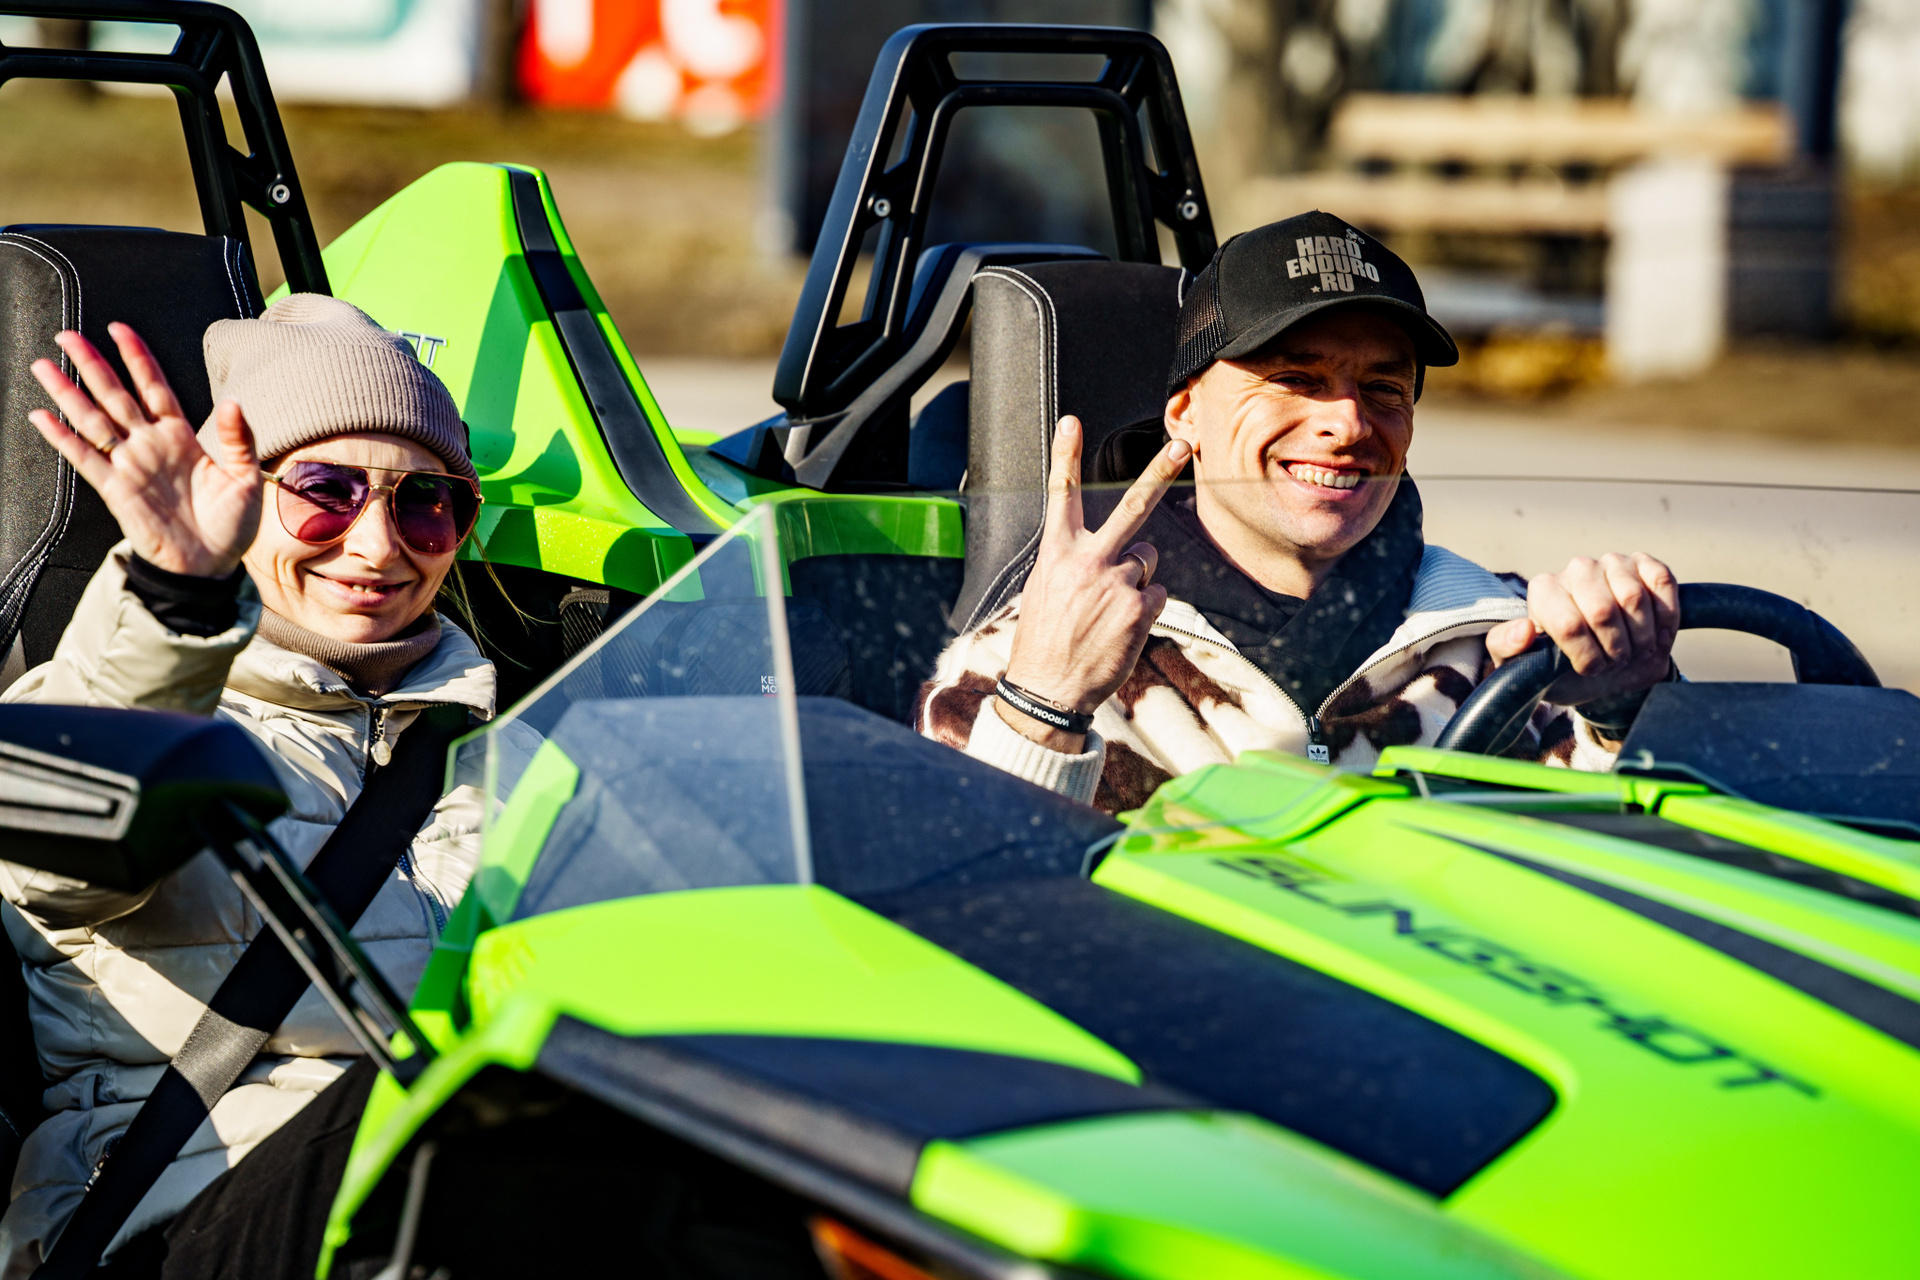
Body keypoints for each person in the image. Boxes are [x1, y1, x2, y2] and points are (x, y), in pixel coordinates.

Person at [0, 295, 492, 1279]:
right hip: (167, 1204)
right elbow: (54, 867)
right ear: (242, 496)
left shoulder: (525, 748)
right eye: (326, 490)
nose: (377, 545)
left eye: (424, 501)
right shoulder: (146, 710)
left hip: (453, 1187)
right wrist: (174, 587)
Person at [918, 211, 1680, 813]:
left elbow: (1642, 888)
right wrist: (1044, 702)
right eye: (1294, 379)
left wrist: (1626, 714)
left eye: (1384, 389)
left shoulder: (1518, 643)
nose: (1348, 423)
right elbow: (963, 899)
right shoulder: (1028, 651)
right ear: (1185, 414)